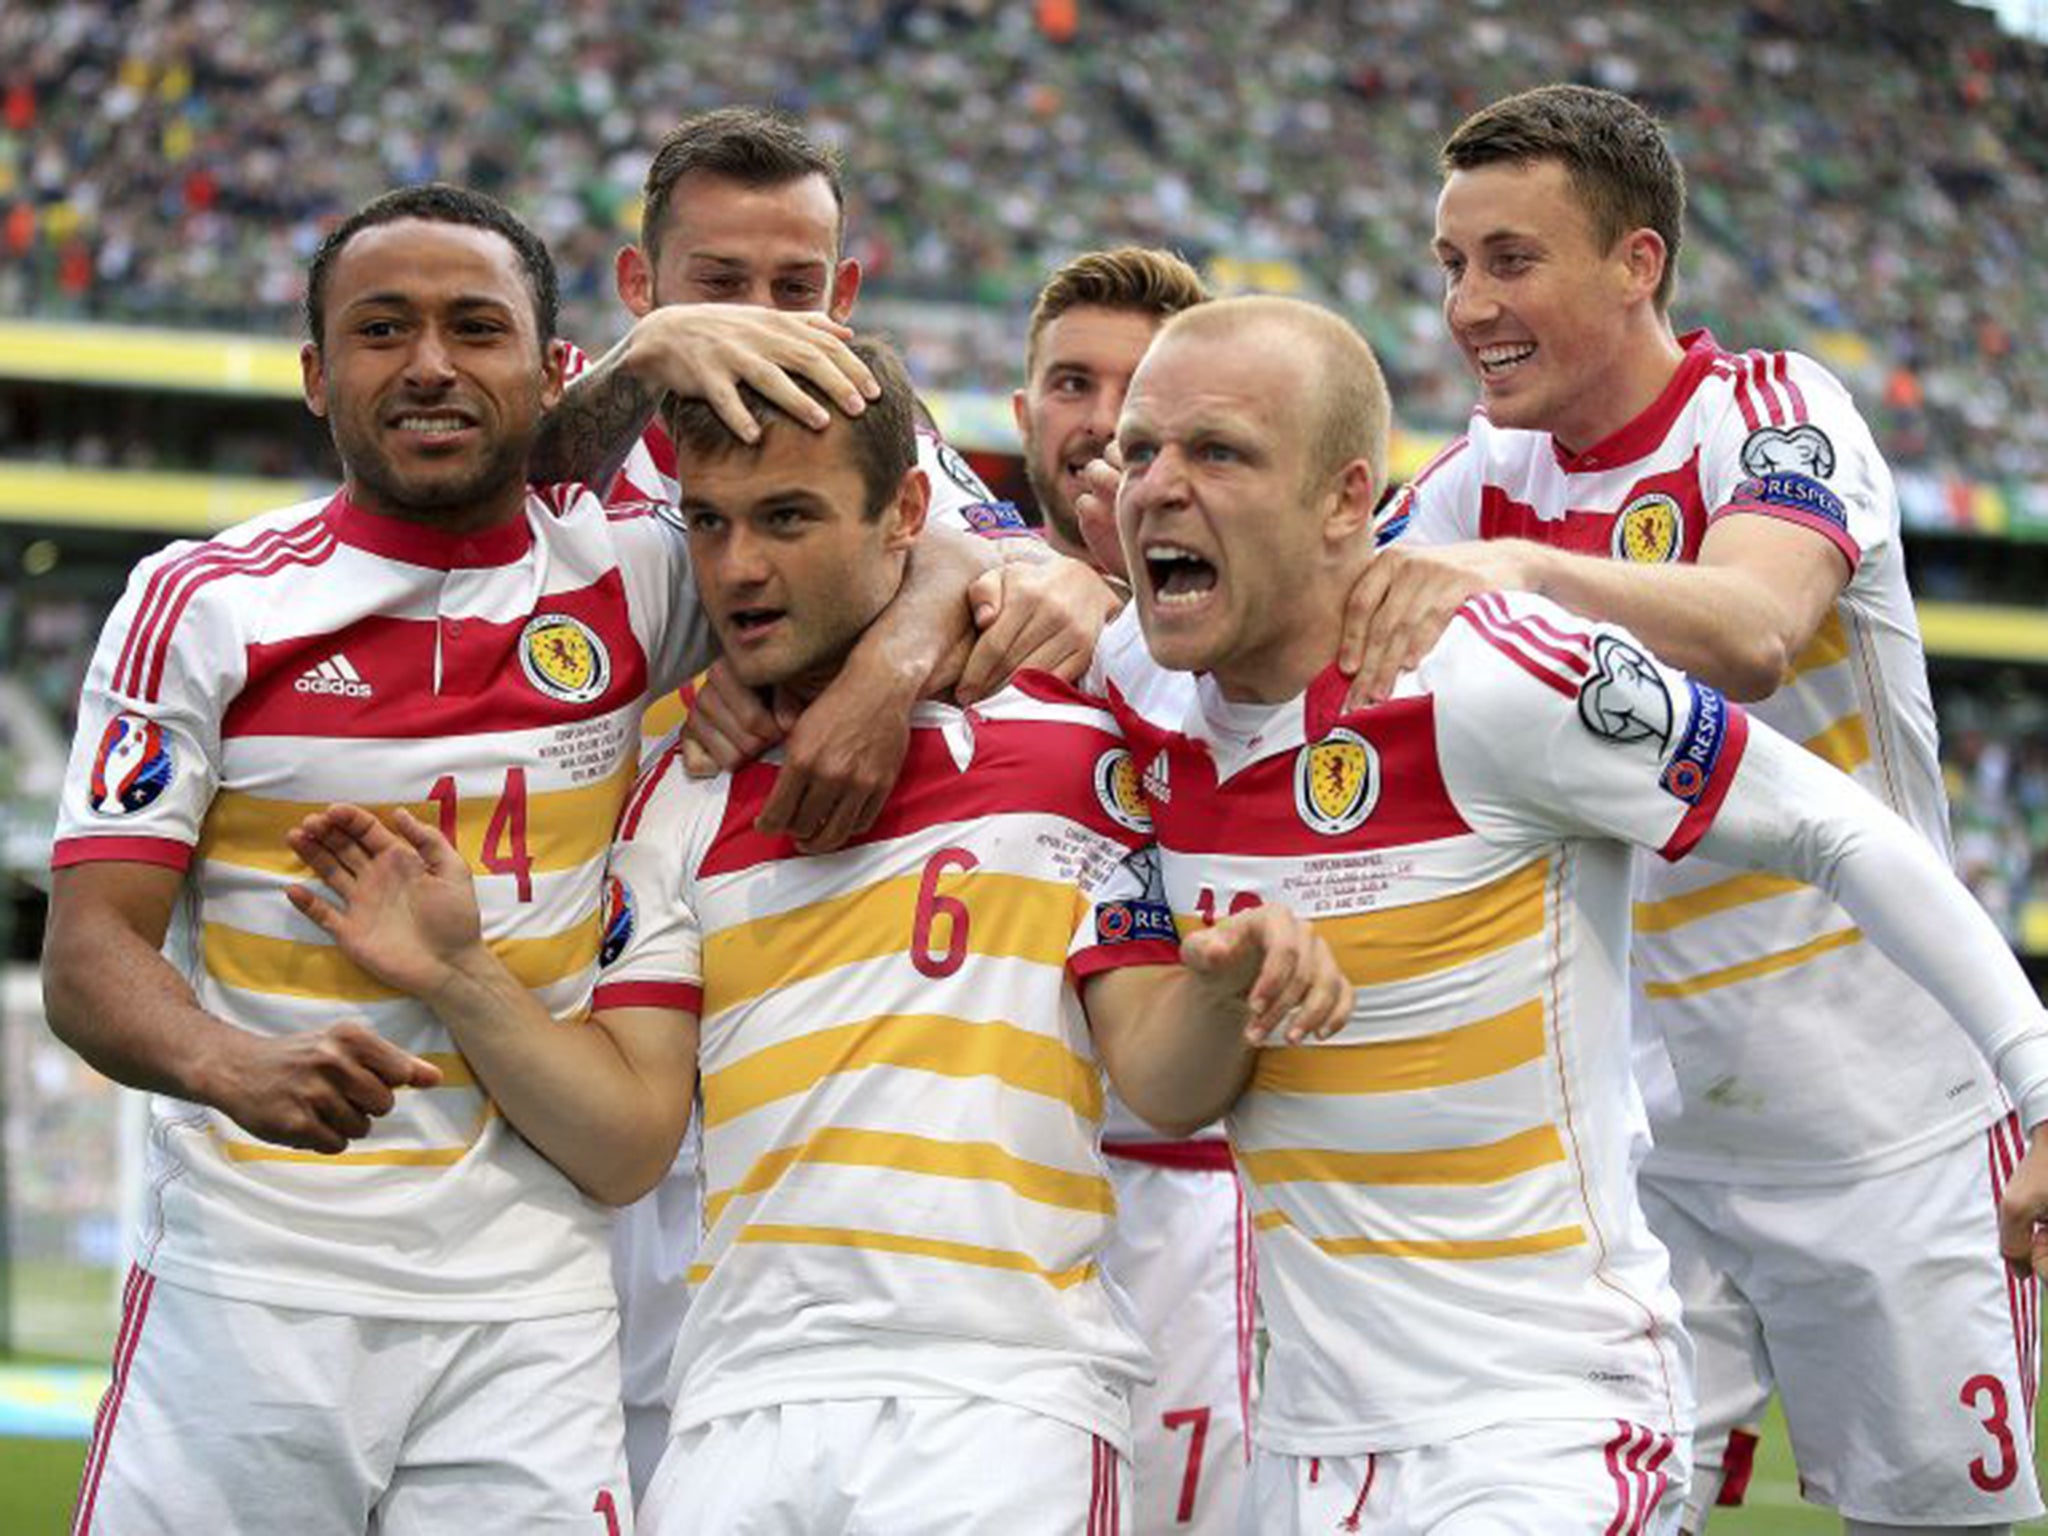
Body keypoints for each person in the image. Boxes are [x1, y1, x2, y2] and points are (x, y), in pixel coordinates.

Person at [40, 185, 995, 1535]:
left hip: (530, 1310)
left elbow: (934, 550)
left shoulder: (639, 580)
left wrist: (890, 666)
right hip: (250, 1292)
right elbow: (90, 953)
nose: (429, 363)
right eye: (382, 330)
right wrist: (227, 1062)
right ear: (317, 377)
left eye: (475, 327)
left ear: (553, 372)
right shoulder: (204, 606)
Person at [286, 337, 1352, 1535]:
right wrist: (459, 974)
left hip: (998, 1405)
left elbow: (1159, 1081)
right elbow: (630, 1139)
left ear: (904, 514)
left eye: (786, 518)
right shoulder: (681, 799)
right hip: (733, 1407)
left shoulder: (1073, 748)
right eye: (709, 524)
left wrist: (1228, 982)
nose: (737, 569)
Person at [1083, 294, 2048, 1533]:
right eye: (1141, 449)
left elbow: (1831, 821)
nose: (1156, 485)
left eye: (1215, 451)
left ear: (1342, 501)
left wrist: (2036, 1082)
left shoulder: (1502, 674)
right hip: (1307, 1449)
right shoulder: (1131, 690)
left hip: (1536, 1433)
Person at [1349, 84, 2045, 1534]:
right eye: (1451, 263)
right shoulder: (1479, 476)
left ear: (1638, 262)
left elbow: (1749, 624)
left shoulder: (1776, 413)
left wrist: (1531, 576)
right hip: (1647, 1156)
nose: (1469, 305)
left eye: (1511, 259)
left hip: (1887, 1134)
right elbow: (1316, 629)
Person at [541, 106, 1113, 1498]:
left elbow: (1030, 578)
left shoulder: (870, 432)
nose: (755, 322)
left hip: (769, 1043)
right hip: (560, 1048)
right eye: (714, 287)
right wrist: (641, 371)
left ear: (845, 299)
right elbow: (474, 506)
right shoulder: (571, 413)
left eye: (795, 289)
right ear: (635, 288)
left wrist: (885, 671)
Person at [1015, 244, 1260, 1536]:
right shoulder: (931, 603)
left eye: (1143, 394)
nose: (1104, 423)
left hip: (1195, 1198)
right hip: (989, 1201)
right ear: (1021, 415)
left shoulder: (1277, 635)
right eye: (1072, 383)